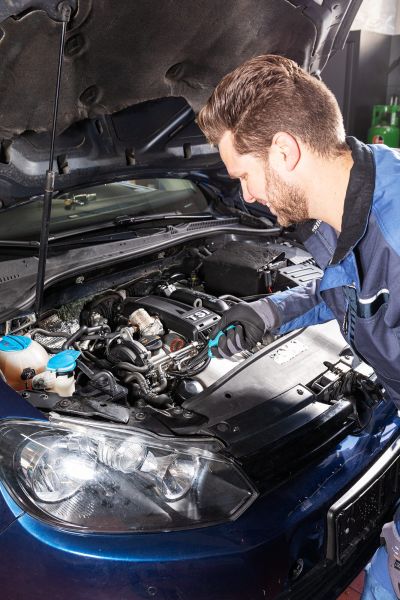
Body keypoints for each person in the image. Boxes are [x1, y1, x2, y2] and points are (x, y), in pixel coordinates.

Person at [197, 54, 400, 599]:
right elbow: (347, 288)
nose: (247, 196)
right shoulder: (354, 195)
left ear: (284, 151)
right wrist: (269, 312)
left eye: (244, 176)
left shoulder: (396, 232)